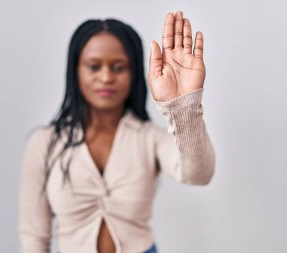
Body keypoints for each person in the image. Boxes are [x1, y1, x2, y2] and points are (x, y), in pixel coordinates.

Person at [18, 11, 215, 253]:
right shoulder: (45, 143)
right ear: (75, 70)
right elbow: (34, 236)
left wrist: (184, 105)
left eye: (119, 67)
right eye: (93, 66)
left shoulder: (149, 138)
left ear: (134, 73)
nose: (106, 77)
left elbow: (199, 174)